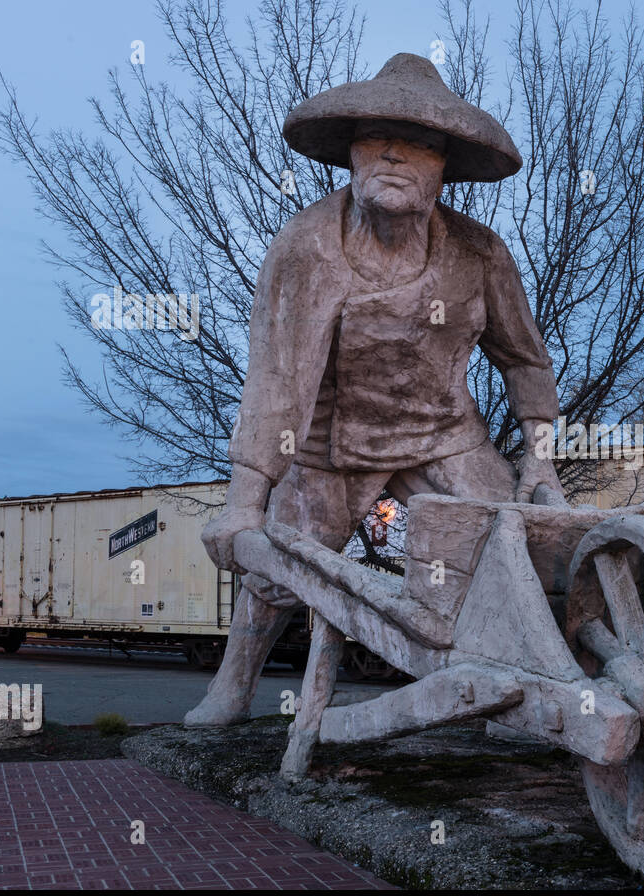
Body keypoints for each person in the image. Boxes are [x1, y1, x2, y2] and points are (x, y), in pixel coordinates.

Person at [185, 53, 565, 727]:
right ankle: (233, 686)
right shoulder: (308, 248)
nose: (394, 155)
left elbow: (526, 359)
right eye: (377, 140)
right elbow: (278, 379)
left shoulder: (480, 254)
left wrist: (541, 458)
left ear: (444, 165)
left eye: (418, 144)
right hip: (331, 443)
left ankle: (507, 691)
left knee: (517, 545)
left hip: (444, 434)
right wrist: (245, 501)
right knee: (276, 572)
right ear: (351, 154)